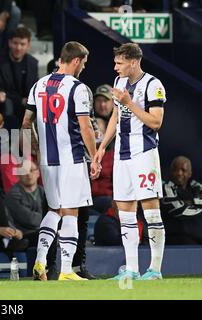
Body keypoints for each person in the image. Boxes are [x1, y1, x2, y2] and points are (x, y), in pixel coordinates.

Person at [22, 41, 100, 281]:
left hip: (48, 161)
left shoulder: (39, 85)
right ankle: (66, 270)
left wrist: (36, 148)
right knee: (71, 212)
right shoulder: (78, 88)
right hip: (72, 159)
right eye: (83, 64)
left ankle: (40, 261)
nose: (83, 68)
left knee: (54, 210)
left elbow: (25, 123)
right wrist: (95, 156)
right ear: (76, 60)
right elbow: (86, 127)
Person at [95, 43, 166, 280]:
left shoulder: (153, 85)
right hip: (121, 154)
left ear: (133, 62)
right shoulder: (119, 84)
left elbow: (155, 122)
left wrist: (129, 102)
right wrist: (103, 147)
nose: (115, 67)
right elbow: (115, 115)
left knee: (151, 213)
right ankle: (132, 269)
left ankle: (155, 269)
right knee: (125, 213)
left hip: (143, 152)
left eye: (119, 63)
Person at [0, 27, 39, 128]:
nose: (18, 48)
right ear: (9, 43)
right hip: (7, 102)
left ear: (28, 45)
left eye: (22, 44)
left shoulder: (33, 63)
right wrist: (21, 100)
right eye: (15, 43)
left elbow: (34, 87)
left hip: (26, 105)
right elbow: (0, 88)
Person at [161, 156, 202, 244]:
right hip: (174, 239)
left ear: (190, 173)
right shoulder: (165, 188)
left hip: (197, 237)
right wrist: (195, 203)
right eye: (176, 170)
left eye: (183, 170)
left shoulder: (197, 187)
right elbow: (180, 211)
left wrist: (189, 203)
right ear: (171, 172)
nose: (179, 173)